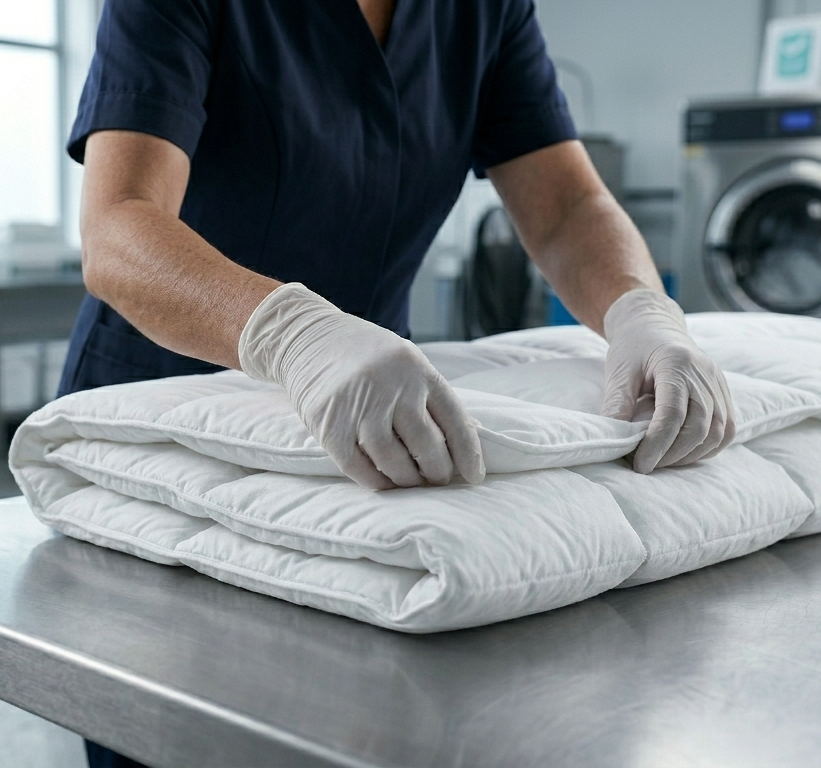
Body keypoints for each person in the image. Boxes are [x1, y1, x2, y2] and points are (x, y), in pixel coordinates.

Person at [59, 1, 734, 764]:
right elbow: (119, 225)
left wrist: (641, 312)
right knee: (177, 731)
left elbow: (568, 206)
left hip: (375, 412)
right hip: (168, 409)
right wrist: (295, 335)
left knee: (356, 723)